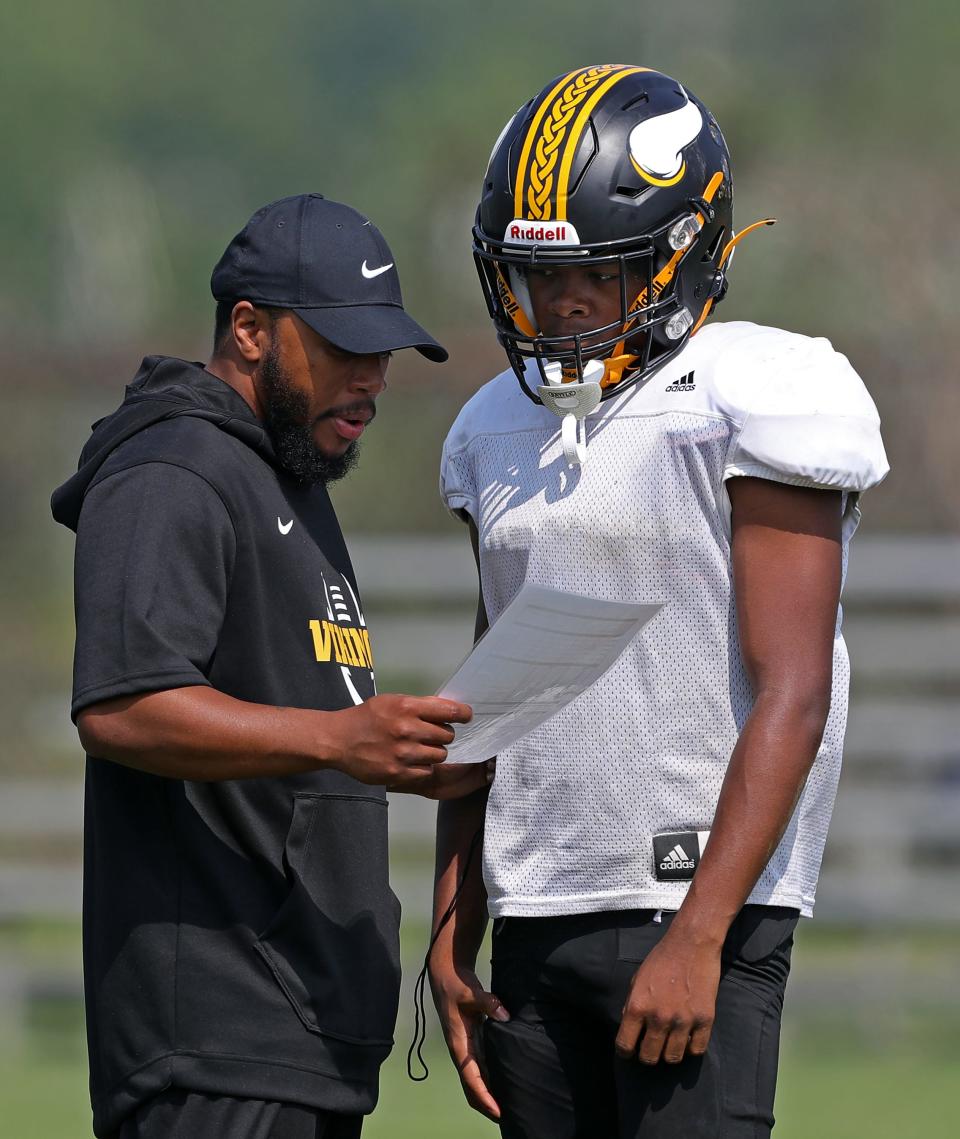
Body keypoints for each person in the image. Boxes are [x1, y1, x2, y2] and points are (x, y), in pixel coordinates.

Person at [429, 65, 890, 1138]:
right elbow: (493, 685)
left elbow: (795, 693)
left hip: (695, 905)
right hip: (537, 910)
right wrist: (455, 921)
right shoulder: (496, 422)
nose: (562, 304)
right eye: (539, 277)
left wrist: (701, 933)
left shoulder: (758, 390)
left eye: (600, 271)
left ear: (682, 253)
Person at [51, 193, 489, 1139]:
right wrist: (341, 739)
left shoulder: (281, 476)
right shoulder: (172, 470)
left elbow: (302, 737)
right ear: (249, 329)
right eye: (342, 346)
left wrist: (410, 757)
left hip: (302, 1038)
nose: (371, 377)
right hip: (212, 1047)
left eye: (384, 351)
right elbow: (121, 707)